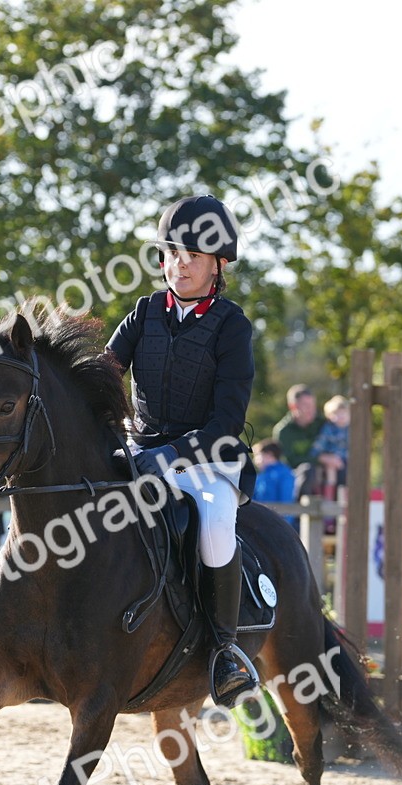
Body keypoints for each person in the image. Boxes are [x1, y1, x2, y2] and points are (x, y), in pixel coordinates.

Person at [105, 195, 258, 707]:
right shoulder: (144, 312)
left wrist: (167, 458)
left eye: (193, 255)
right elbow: (102, 379)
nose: (180, 264)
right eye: (173, 253)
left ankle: (225, 651)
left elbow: (225, 424)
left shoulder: (232, 325)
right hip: (138, 448)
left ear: (218, 265)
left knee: (215, 527)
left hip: (206, 462)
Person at [272, 384, 324, 499]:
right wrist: (318, 459)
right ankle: (299, 512)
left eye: (312, 405)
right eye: (306, 405)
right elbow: (289, 461)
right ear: (293, 407)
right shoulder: (283, 431)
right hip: (296, 477)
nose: (311, 410)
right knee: (307, 471)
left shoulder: (321, 423)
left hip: (322, 472)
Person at [309, 395, 350, 498]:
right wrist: (318, 454)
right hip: (332, 459)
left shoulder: (352, 429)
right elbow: (320, 444)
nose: (340, 417)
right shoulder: (328, 429)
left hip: (348, 459)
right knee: (329, 468)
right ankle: (329, 498)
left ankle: (347, 498)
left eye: (343, 413)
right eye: (336, 414)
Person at [252, 439, 297, 527]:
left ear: (269, 455)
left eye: (257, 455)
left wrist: (284, 526)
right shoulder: (260, 476)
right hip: (259, 522)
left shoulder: (285, 474)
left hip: (277, 525)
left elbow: (286, 501)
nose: (255, 460)